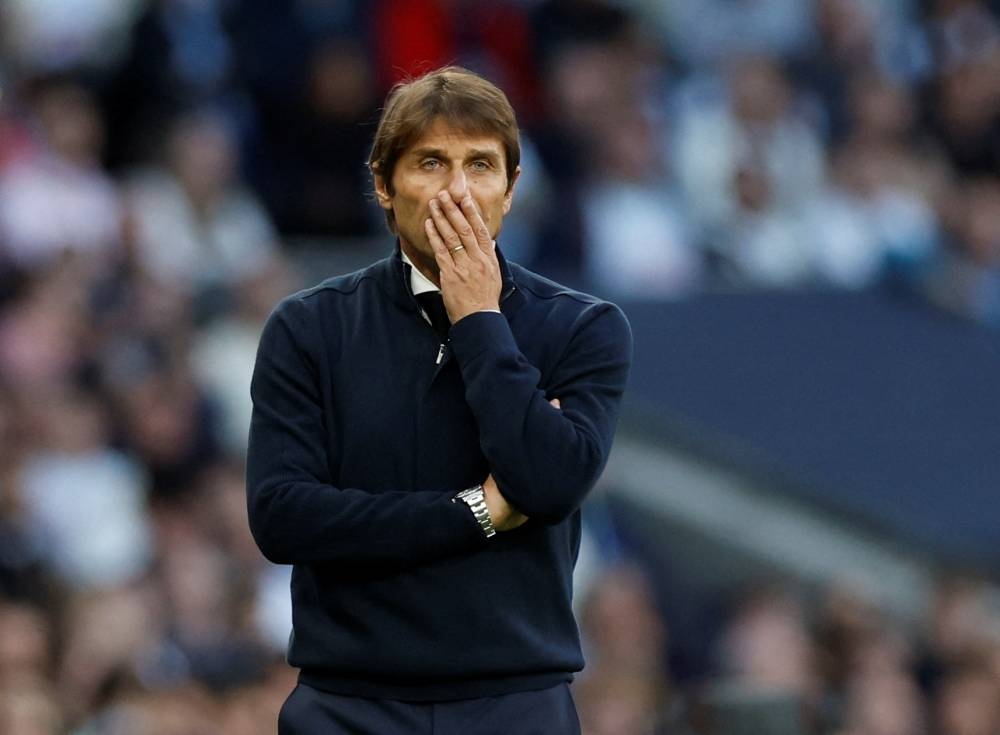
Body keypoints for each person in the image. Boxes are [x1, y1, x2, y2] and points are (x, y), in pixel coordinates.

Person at [246, 66, 632, 734]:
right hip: (347, 704)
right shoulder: (309, 326)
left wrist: (480, 318)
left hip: (516, 703)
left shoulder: (583, 326)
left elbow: (546, 482)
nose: (457, 190)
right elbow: (284, 517)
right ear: (383, 186)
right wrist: (476, 511)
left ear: (511, 190)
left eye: (480, 165)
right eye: (431, 162)